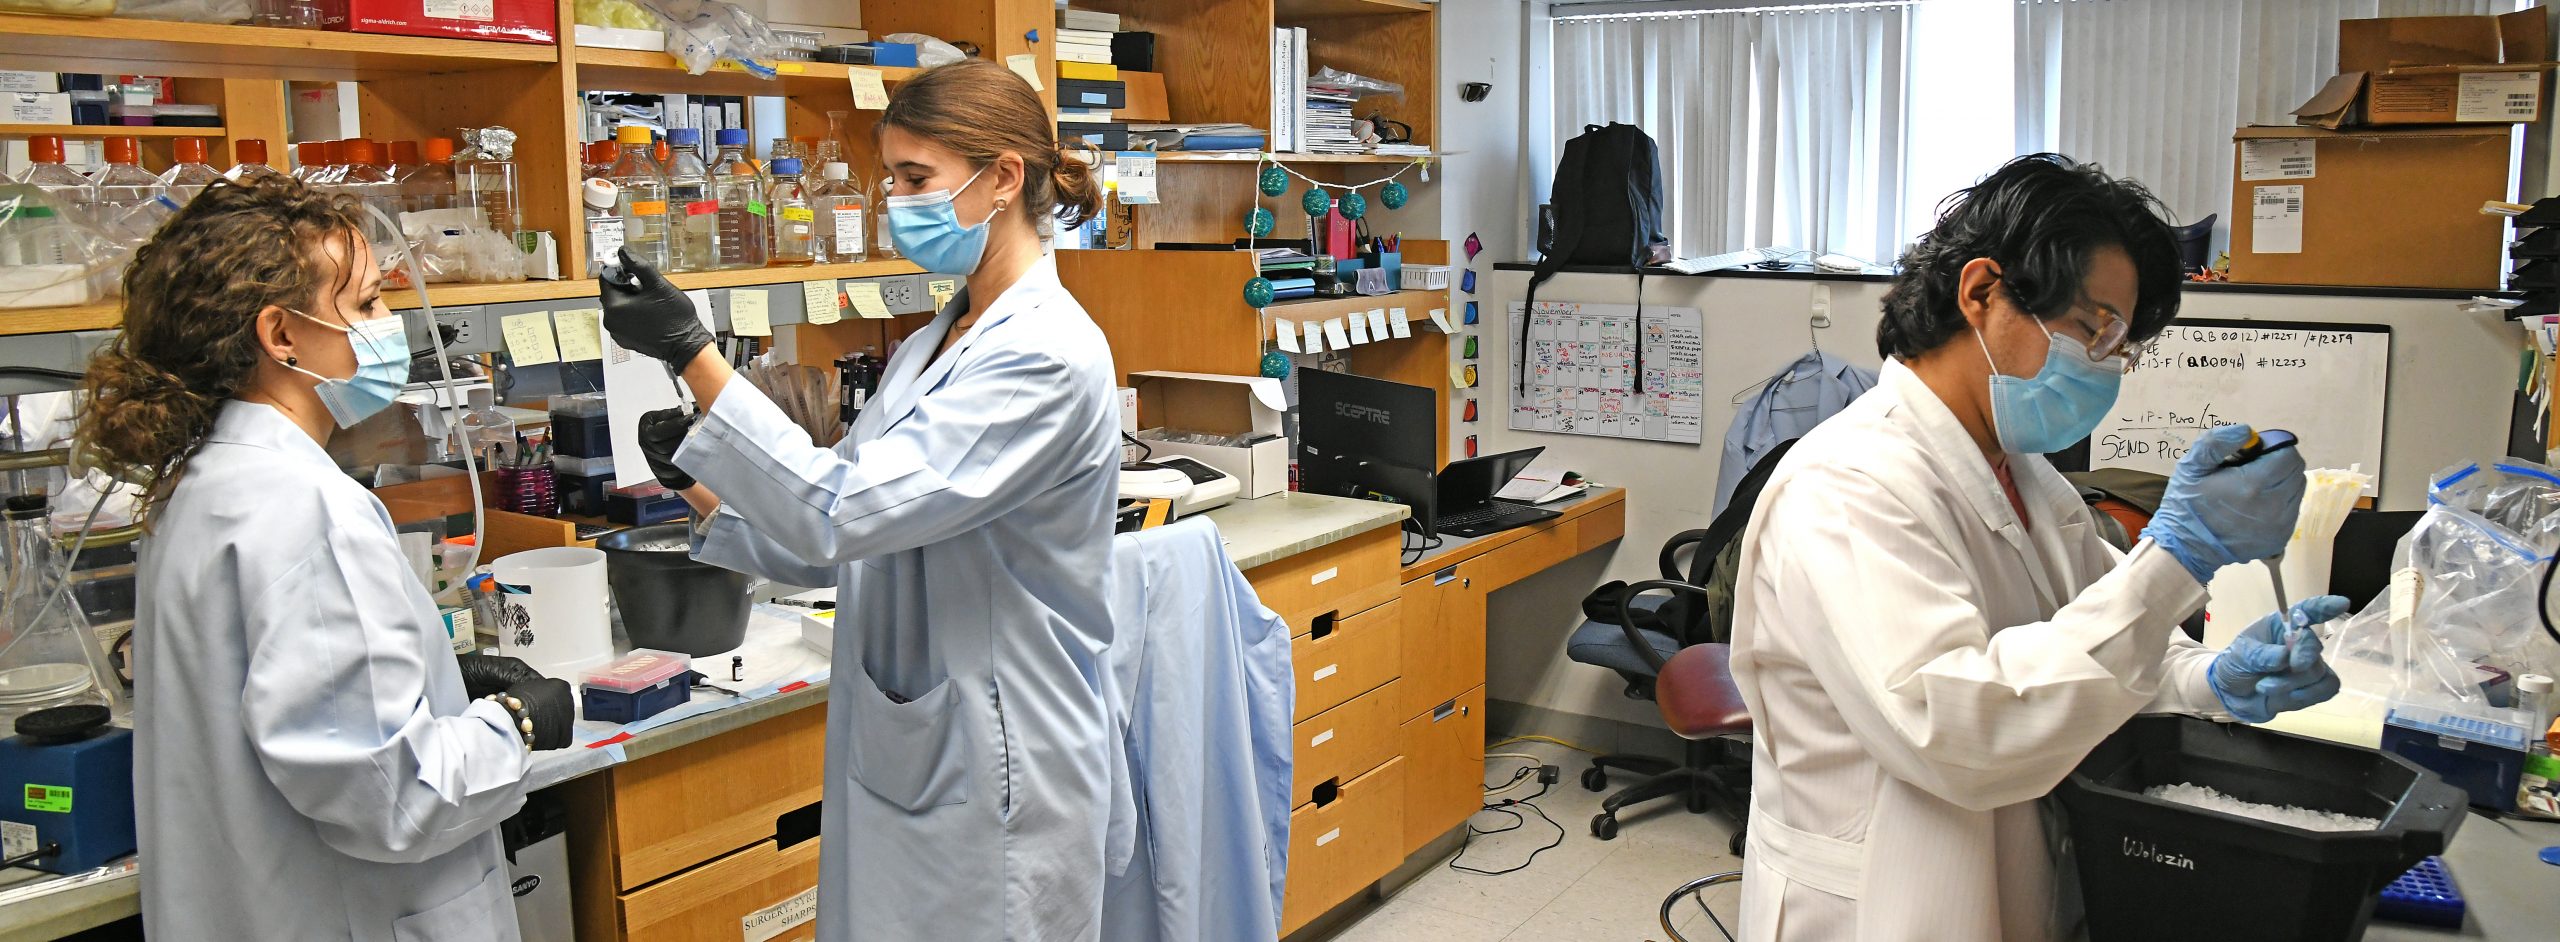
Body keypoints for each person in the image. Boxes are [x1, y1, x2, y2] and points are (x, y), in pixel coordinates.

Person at [1729, 154, 2344, 941]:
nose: (2107, 369)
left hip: (2011, 875)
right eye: (2095, 330)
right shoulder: (1848, 486)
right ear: (1983, 292)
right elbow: (1960, 731)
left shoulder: (2026, 479)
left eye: (2121, 348)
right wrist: (2176, 557)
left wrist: (2206, 679)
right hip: (1881, 906)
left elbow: (2099, 650)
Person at [598, 58, 1118, 940]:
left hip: (999, 750)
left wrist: (696, 355)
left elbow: (841, 510)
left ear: (1001, 179)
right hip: (917, 737)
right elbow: (831, 539)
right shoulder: (935, 342)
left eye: (918, 179)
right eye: (891, 179)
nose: (895, 201)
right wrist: (700, 489)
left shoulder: (1046, 355)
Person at [76, 175, 572, 939]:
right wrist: (518, 724)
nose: (389, 325)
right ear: (281, 336)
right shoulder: (309, 510)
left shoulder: (204, 485)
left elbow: (299, 717)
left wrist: (437, 689)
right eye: (368, 304)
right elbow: (395, 798)